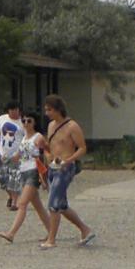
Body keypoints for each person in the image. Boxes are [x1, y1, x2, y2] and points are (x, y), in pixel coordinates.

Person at [38, 94, 94, 248]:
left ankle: (51, 239)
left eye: (49, 110)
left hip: (66, 168)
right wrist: (44, 149)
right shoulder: (51, 126)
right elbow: (51, 148)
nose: (47, 113)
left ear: (58, 109)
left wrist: (69, 160)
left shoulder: (72, 126)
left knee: (53, 203)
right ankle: (85, 230)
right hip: (53, 167)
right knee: (62, 205)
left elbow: (82, 148)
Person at [0, 118, 47, 241]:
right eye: (24, 121)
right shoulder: (24, 138)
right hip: (23, 172)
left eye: (29, 121)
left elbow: (47, 152)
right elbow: (18, 156)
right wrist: (6, 158)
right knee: (38, 206)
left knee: (22, 203)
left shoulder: (38, 137)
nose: (25, 123)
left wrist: (44, 175)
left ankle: (11, 233)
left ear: (34, 123)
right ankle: (51, 231)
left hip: (33, 171)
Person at [0, 103, 24, 209]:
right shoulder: (2, 119)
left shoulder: (23, 122)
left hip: (16, 155)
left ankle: (14, 202)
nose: (13, 112)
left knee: (14, 179)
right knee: (3, 178)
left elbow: (26, 139)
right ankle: (11, 196)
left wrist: (21, 153)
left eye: (15, 110)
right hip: (3, 153)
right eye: (11, 110)